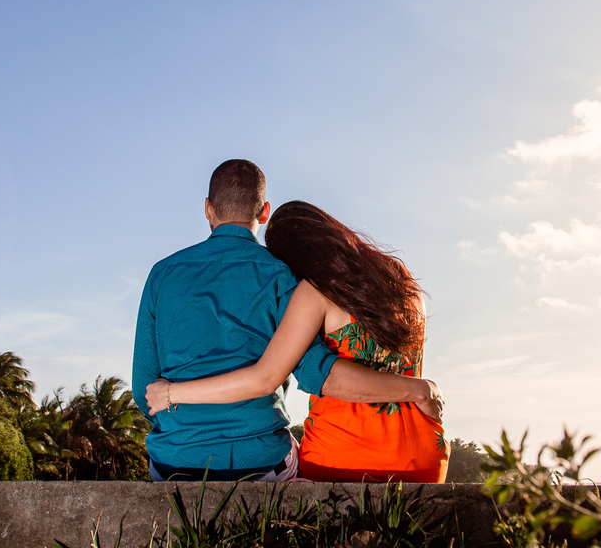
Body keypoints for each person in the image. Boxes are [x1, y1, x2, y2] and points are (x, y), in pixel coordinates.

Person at [132, 160, 442, 482]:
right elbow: (314, 370)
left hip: (175, 461)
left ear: (208, 209)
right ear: (263, 212)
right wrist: (419, 389)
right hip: (264, 462)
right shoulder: (282, 274)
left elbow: (144, 390)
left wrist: (180, 415)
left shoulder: (161, 274)